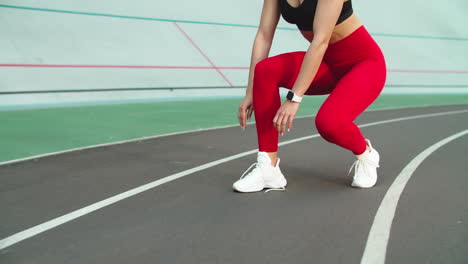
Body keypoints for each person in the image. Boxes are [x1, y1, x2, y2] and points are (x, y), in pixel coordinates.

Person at [233, 0, 386, 192]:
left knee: (329, 123)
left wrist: (294, 98)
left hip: (363, 65)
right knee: (265, 71)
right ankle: (268, 169)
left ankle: (366, 154)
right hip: (327, 65)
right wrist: (250, 92)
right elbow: (263, 36)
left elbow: (320, 41)